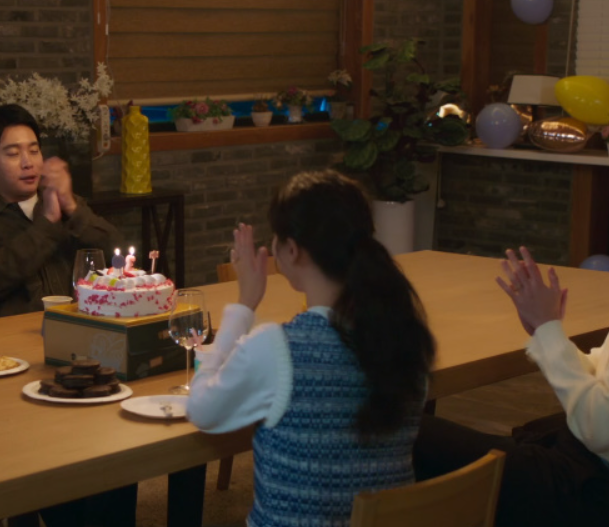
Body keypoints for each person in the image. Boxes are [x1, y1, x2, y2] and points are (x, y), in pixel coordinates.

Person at [412, 137, 609, 527]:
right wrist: (544, 329)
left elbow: (601, 427)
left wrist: (550, 331)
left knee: (402, 431)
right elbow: (606, 376)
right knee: (411, 434)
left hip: (599, 490)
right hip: (591, 468)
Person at [187, 170, 437, 526]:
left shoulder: (278, 348)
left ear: (292, 250)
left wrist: (244, 305)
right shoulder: (406, 339)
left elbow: (202, 409)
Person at [0, 104, 119, 321]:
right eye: (13, 154)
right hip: (8, 338)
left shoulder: (68, 205)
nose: (28, 163)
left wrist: (73, 209)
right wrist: (47, 222)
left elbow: (118, 256)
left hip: (80, 328)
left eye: (34, 151)